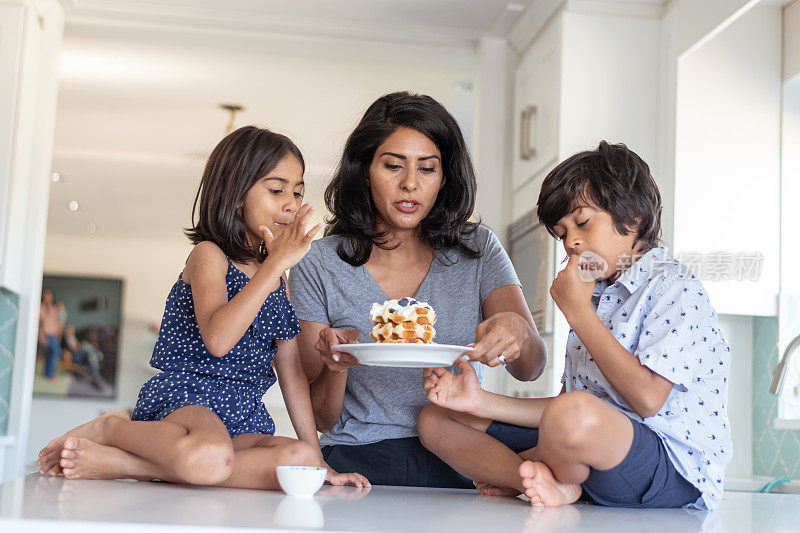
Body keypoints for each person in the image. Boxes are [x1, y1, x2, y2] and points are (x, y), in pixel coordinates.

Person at [38, 126, 369, 490]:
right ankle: (112, 426)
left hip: (242, 415)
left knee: (302, 462)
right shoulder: (208, 256)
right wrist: (276, 264)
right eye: (276, 190)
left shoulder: (276, 282)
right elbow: (218, 339)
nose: (290, 203)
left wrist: (321, 462)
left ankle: (134, 463)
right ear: (236, 192)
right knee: (210, 457)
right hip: (190, 400)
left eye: (297, 192)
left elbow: (291, 376)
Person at [417, 141, 732, 510]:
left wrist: (578, 314)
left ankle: (553, 479)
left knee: (572, 415)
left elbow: (647, 401)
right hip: (588, 444)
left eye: (582, 223)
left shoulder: (673, 287)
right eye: (562, 233)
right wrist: (478, 401)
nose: (571, 242)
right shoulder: (596, 294)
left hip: (669, 468)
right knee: (437, 417)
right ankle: (537, 478)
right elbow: (565, 408)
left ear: (634, 218)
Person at [289, 91, 547, 487]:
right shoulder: (317, 263)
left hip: (466, 452)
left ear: (445, 178)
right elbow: (321, 417)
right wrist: (336, 365)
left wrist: (517, 330)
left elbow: (530, 368)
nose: (410, 184)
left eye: (427, 169)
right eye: (393, 166)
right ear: (363, 171)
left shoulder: (477, 250)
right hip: (360, 458)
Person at [38, 289, 62, 379]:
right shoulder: (40, 308)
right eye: (46, 297)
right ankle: (49, 374)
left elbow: (57, 322)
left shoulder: (54, 308)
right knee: (53, 352)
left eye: (50, 297)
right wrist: (41, 336)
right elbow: (39, 323)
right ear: (43, 298)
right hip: (45, 334)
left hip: (54, 334)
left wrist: (58, 333)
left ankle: (47, 373)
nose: (48, 299)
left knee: (51, 353)